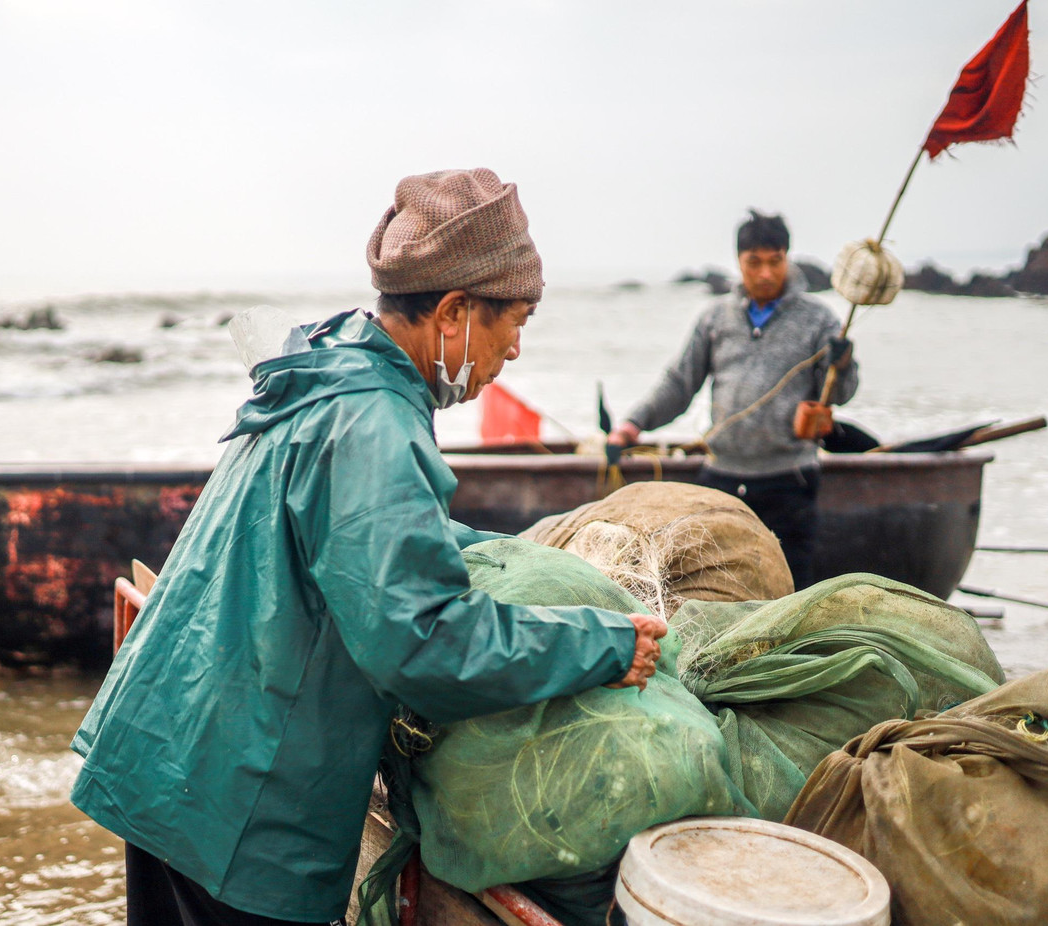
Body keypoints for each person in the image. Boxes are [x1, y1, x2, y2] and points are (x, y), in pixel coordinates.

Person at [70, 168, 667, 926]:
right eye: (511, 322)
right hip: (238, 817)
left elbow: (354, 536)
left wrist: (508, 554)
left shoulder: (327, 364)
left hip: (171, 762)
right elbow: (422, 644)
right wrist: (603, 643)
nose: (514, 350)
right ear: (453, 312)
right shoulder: (375, 423)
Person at [607, 210, 858, 588]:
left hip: (790, 481)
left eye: (775, 261)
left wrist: (844, 364)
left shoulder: (819, 319)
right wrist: (632, 424)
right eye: (753, 262)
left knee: (789, 592)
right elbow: (679, 384)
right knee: (721, 590)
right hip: (721, 479)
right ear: (739, 261)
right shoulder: (715, 318)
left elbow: (840, 394)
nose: (765, 273)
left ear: (787, 258)